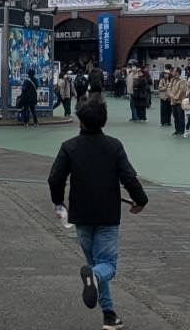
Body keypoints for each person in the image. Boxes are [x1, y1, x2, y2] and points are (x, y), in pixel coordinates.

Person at [48, 98, 149, 330]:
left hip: (81, 214)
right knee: (107, 266)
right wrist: (141, 201)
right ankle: (96, 285)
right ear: (103, 121)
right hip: (107, 213)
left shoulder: (69, 146)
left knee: (95, 264)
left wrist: (58, 203)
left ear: (80, 122)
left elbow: (55, 178)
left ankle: (109, 314)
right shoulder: (113, 146)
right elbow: (128, 177)